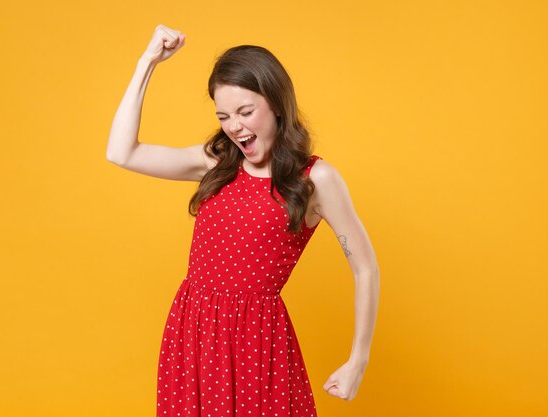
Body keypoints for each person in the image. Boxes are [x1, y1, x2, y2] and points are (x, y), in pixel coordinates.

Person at [106, 24, 380, 416]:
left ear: (277, 104)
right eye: (224, 115)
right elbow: (122, 152)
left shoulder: (316, 179)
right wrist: (147, 62)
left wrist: (359, 360)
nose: (234, 126)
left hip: (257, 343)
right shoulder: (216, 161)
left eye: (246, 112)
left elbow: (365, 267)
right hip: (193, 333)